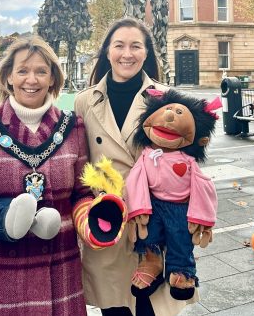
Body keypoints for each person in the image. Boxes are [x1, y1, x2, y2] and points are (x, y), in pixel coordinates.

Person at [0, 36, 92, 316]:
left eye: (41, 71)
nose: (31, 79)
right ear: (8, 76)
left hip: (59, 268)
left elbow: (83, 191)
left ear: (53, 78)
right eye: (22, 71)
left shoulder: (74, 127)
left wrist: (92, 217)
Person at [75, 18, 196, 316]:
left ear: (146, 53)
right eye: (119, 45)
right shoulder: (83, 102)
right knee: (115, 308)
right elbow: (79, 164)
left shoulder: (166, 99)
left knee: (152, 309)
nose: (126, 54)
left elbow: (187, 159)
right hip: (110, 219)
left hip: (156, 223)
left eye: (135, 46)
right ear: (107, 52)